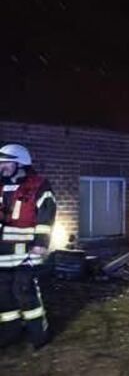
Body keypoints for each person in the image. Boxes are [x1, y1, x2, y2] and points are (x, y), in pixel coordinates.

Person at [0, 143, 55, 349]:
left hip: (25, 254)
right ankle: (10, 333)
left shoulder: (38, 185)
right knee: (3, 298)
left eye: (5, 163)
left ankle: (39, 336)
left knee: (26, 294)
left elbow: (46, 215)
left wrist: (40, 244)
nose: (1, 167)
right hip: (1, 255)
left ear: (20, 163)